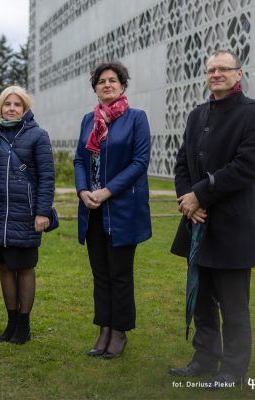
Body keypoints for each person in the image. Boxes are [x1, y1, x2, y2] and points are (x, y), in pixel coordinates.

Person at [169, 50, 255, 388]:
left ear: (239, 73)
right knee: (202, 299)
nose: (216, 74)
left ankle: (233, 372)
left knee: (233, 307)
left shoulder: (251, 113)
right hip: (198, 224)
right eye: (211, 70)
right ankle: (203, 359)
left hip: (233, 227)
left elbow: (246, 166)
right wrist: (188, 200)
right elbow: (181, 165)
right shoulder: (196, 114)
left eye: (223, 69)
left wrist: (200, 194)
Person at [74, 61, 151, 359]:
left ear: (122, 85)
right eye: (101, 81)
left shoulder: (136, 119)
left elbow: (139, 162)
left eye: (112, 80)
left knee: (120, 273)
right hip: (92, 209)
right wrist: (83, 191)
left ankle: (119, 332)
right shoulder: (87, 121)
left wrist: (107, 191)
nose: (107, 85)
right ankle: (104, 327)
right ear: (95, 87)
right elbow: (80, 160)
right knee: (100, 273)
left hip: (122, 209)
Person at [0, 86, 55, 345]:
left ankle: (24, 325)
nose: (11, 108)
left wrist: (42, 212)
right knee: (5, 268)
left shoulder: (38, 135)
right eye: (7, 104)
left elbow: (47, 177)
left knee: (24, 268)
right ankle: (11, 322)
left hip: (26, 213)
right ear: (0, 108)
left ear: (25, 108)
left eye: (17, 104)